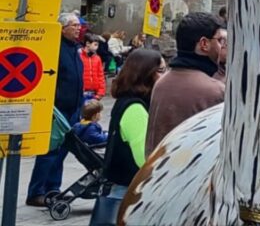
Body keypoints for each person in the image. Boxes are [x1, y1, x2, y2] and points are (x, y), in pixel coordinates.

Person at [93, 49, 166, 225]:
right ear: (146, 74)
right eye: (161, 70)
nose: (166, 75)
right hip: (126, 192)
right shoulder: (135, 109)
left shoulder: (127, 101)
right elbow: (144, 158)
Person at [145, 12, 227, 155]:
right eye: (220, 40)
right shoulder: (215, 90)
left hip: (159, 167)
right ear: (204, 44)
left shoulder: (161, 82)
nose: (222, 47)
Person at [26, 12, 85, 207]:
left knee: (62, 151)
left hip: (73, 108)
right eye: (74, 25)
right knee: (50, 151)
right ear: (62, 28)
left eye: (78, 25)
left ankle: (53, 189)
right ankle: (36, 192)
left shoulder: (75, 49)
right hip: (58, 109)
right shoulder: (55, 48)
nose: (78, 28)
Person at [80, 34, 107, 100]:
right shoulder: (79, 57)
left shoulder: (97, 58)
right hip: (82, 92)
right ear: (87, 44)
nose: (97, 47)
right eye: (95, 45)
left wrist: (101, 92)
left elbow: (101, 76)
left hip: (94, 93)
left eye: (97, 45)